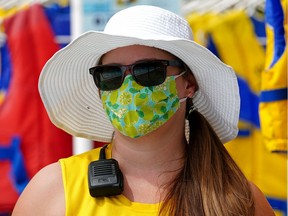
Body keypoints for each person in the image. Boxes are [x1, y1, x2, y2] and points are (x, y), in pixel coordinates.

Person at [12, 5, 275, 216]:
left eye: (148, 71)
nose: (128, 87)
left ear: (189, 83)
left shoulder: (240, 200)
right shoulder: (53, 191)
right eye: (110, 75)